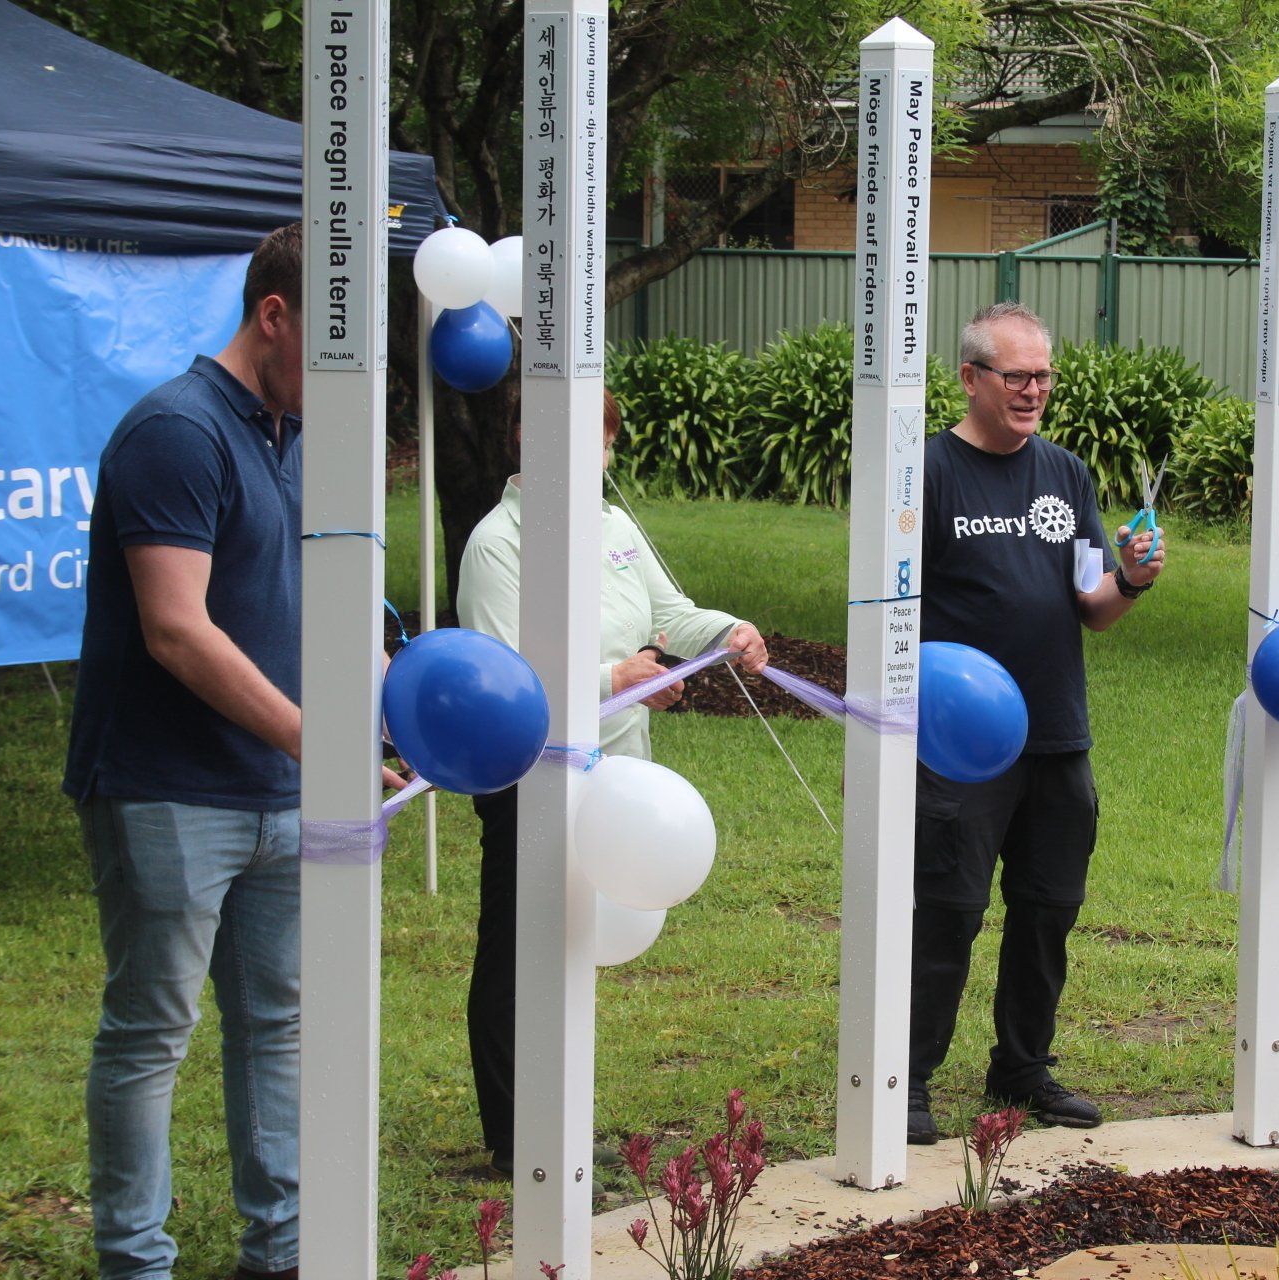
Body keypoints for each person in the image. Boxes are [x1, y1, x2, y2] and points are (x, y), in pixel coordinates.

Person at [64, 224, 399, 1280]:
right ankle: (136, 1259)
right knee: (152, 1026)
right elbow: (175, 627)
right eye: (335, 346)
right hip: (166, 787)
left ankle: (286, 1250)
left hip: (280, 785)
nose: (351, 378)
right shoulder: (174, 430)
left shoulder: (292, 440)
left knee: (277, 1021)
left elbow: (312, 615)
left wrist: (381, 720)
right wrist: (319, 738)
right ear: (274, 315)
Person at [456, 388, 768, 1173]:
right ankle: (512, 1131)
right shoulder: (497, 543)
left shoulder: (615, 525)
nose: (581, 451)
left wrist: (726, 631)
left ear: (609, 446)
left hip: (615, 777)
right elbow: (507, 681)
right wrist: (615, 677)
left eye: (596, 434)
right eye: (558, 433)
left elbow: (674, 613)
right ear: (523, 438)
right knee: (518, 948)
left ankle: (555, 1110)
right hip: (530, 778)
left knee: (574, 940)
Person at [907, 302, 1166, 1144]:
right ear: (971, 377)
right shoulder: (928, 473)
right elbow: (891, 611)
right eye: (1016, 375)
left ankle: (1021, 1071)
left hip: (1057, 735)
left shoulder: (1066, 474)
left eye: (1044, 375)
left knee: (1047, 908)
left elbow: (1092, 606)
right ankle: (907, 1077)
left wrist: (1130, 578)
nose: (1033, 391)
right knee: (948, 910)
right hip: (960, 743)